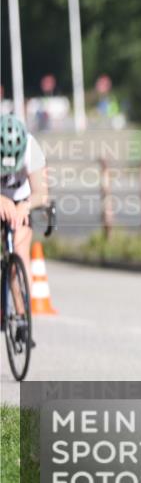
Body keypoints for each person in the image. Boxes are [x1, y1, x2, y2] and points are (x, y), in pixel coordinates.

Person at [1, 114, 49, 342]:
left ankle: (21, 318)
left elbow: (42, 193)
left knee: (19, 252)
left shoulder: (31, 147)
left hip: (21, 200)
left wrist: (25, 207)